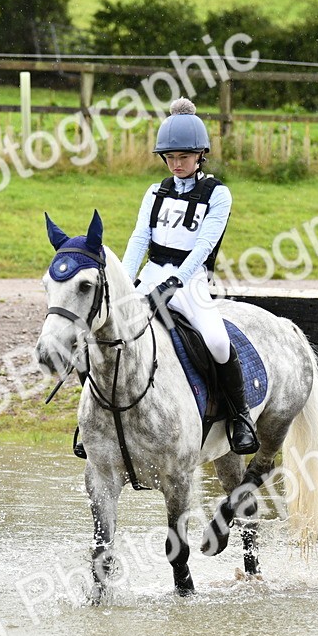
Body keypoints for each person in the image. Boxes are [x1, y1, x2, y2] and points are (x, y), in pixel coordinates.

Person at [121, 97, 259, 455]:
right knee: (109, 330)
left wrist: (175, 282)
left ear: (200, 156)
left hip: (191, 280)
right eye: (170, 158)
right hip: (152, 274)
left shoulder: (218, 194)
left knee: (215, 340)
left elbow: (204, 245)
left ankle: (239, 416)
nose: (176, 164)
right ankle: (92, 421)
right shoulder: (155, 192)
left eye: (183, 157)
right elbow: (139, 239)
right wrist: (124, 282)